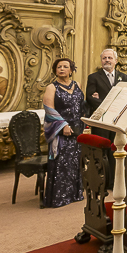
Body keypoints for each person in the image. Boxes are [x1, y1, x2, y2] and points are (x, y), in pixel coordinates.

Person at [83, 48, 127, 189]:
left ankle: (113, 182)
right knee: (101, 151)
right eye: (104, 58)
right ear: (101, 61)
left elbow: (126, 96)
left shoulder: (124, 77)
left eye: (110, 58)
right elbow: (90, 97)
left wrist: (104, 101)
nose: (107, 60)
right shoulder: (93, 77)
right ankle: (100, 181)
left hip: (117, 120)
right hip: (101, 121)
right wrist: (109, 106)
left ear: (115, 61)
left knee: (115, 150)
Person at [42, 58, 85, 208]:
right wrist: (63, 125)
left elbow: (81, 106)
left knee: (75, 163)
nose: (62, 69)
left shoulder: (77, 85)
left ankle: (75, 194)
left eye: (65, 66)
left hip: (77, 130)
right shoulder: (51, 87)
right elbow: (49, 110)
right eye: (59, 67)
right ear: (55, 70)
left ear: (71, 70)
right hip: (61, 132)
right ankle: (59, 198)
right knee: (62, 164)